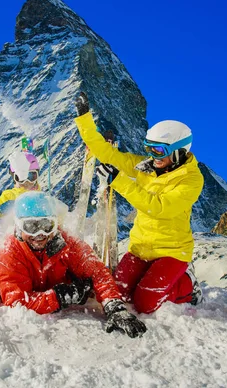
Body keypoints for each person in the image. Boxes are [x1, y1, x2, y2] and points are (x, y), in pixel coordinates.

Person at [73, 92, 204, 314]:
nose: (154, 155)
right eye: (149, 148)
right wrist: (84, 118)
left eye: (159, 149)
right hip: (141, 247)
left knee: (145, 303)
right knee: (119, 294)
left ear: (180, 151)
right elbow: (106, 153)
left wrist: (120, 181)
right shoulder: (147, 167)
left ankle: (187, 285)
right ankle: (153, 279)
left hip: (171, 251)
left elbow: (159, 207)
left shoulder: (191, 179)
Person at [0, 191, 147, 338]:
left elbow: (97, 272)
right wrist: (60, 297)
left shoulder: (65, 243)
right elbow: (17, 302)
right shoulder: (9, 252)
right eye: (31, 227)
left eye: (46, 225)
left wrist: (114, 306)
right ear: (18, 227)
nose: (39, 234)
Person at [0, 150, 42, 303]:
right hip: (13, 243)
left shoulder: (40, 196)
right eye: (21, 178)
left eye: (31, 177)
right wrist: (1, 209)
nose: (26, 183)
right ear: (14, 178)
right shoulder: (9, 195)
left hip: (35, 242)